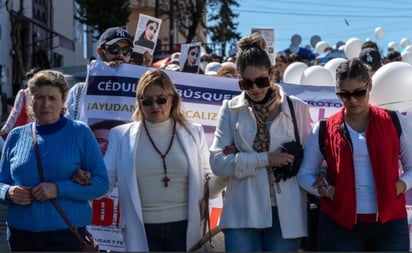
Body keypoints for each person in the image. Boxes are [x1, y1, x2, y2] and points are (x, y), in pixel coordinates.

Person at [209, 32, 312, 252]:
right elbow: (217, 163)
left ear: (273, 74)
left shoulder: (297, 108)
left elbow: (310, 160)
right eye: (246, 83)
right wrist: (266, 158)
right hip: (242, 212)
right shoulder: (231, 109)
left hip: (287, 214)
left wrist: (240, 157)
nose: (255, 88)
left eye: (261, 81)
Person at [104, 69, 227, 251]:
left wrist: (228, 170)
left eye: (161, 99)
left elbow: (209, 188)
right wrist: (83, 180)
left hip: (184, 229)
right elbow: (104, 184)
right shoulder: (120, 135)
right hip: (141, 230)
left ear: (172, 99)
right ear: (139, 103)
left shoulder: (194, 133)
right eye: (147, 101)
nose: (155, 106)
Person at [297, 58, 412, 251]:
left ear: (370, 86)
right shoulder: (324, 128)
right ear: (337, 92)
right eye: (344, 94)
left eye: (359, 92)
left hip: (390, 224)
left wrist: (401, 185)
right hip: (338, 225)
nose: (353, 100)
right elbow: (304, 175)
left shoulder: (394, 121)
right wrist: (326, 191)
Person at [0, 70, 109, 251]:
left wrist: (58, 189)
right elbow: (1, 182)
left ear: (63, 100)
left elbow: (101, 183)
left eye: (52, 98)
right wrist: (8, 192)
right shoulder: (16, 136)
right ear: (30, 100)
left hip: (66, 236)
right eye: (39, 97)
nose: (45, 104)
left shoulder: (80, 133)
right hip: (21, 235)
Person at [66, 26, 133, 120]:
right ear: (100, 52)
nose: (120, 55)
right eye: (114, 49)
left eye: (126, 51)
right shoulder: (79, 91)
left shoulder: (137, 91)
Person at [0, 67, 41, 139]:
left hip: (27, 131)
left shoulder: (23, 93)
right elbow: (15, 114)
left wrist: (5, 130)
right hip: (39, 131)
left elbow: (15, 114)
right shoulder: (25, 94)